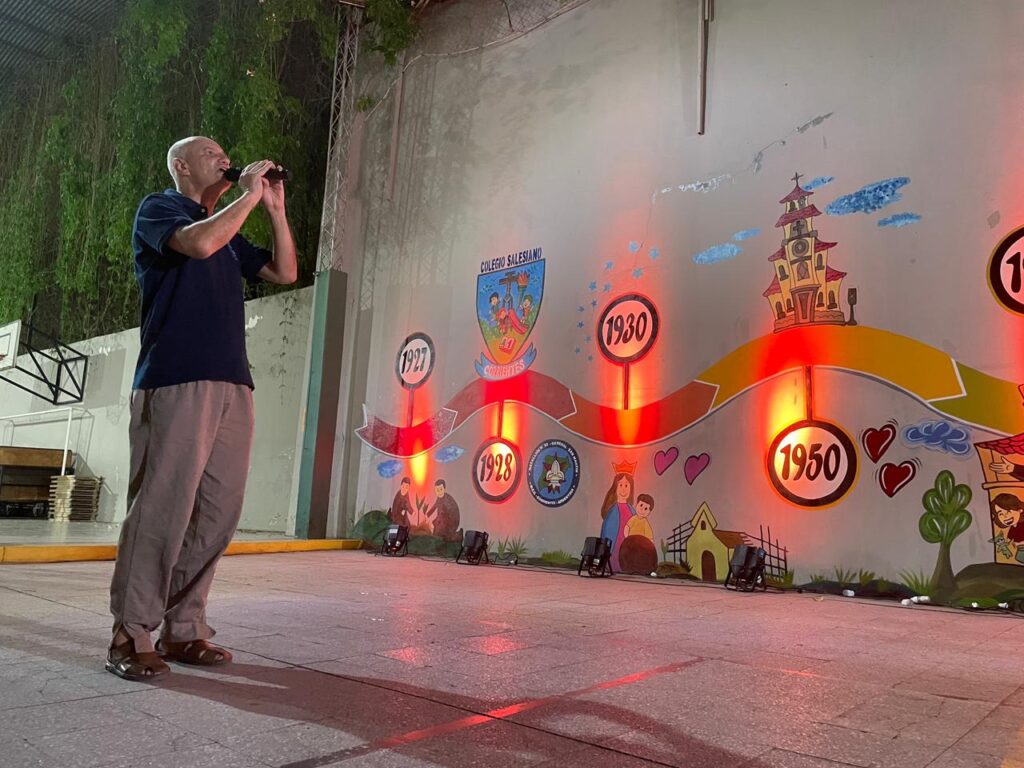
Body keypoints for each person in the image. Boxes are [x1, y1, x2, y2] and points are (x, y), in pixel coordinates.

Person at [106, 136, 297, 680]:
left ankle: (183, 629)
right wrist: (248, 198)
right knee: (162, 508)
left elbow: (284, 273)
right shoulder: (160, 209)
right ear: (182, 166)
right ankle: (131, 631)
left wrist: (276, 212)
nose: (223, 156)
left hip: (233, 384)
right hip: (174, 379)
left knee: (217, 512)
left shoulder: (231, 229)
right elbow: (199, 245)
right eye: (210, 151)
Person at [599, 471, 636, 572]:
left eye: (626, 486)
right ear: (615, 488)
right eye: (620, 485)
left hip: (628, 547)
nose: (623, 489)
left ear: (630, 489)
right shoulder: (613, 510)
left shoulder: (632, 510)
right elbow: (607, 532)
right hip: (615, 546)